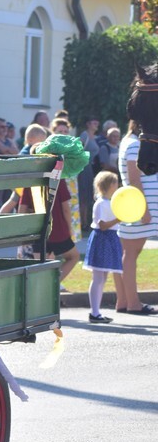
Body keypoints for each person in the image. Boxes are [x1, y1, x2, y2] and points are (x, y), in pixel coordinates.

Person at [116, 118, 158, 315]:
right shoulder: (134, 144)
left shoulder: (130, 142)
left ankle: (124, 301)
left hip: (136, 206)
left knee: (130, 253)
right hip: (138, 207)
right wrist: (144, 210)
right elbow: (134, 178)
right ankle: (133, 303)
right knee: (131, 254)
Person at [83, 171, 123, 324]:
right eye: (115, 182)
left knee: (102, 277)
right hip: (102, 239)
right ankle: (94, 312)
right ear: (109, 184)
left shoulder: (109, 202)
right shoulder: (101, 203)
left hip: (108, 239)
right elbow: (103, 225)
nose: (117, 185)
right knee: (98, 277)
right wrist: (118, 219)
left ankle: (96, 312)